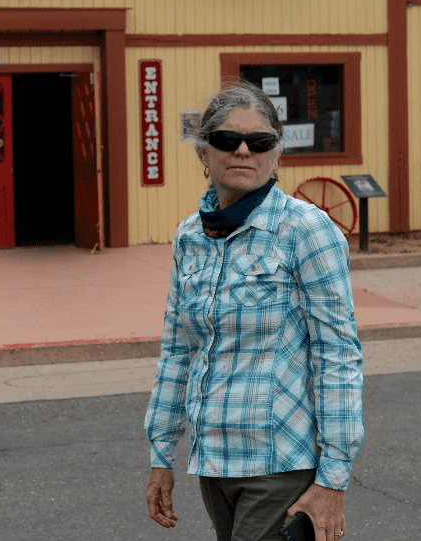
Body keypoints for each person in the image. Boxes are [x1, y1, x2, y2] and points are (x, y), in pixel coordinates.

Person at [144, 82, 363, 541]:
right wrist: (162, 454)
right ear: (204, 153)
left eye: (258, 141)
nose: (243, 151)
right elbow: (178, 350)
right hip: (213, 462)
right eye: (227, 140)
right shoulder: (190, 237)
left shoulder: (305, 230)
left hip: (280, 462)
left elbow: (337, 355)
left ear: (276, 154)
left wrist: (334, 477)